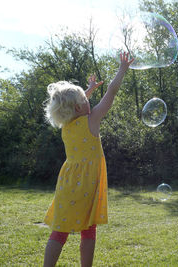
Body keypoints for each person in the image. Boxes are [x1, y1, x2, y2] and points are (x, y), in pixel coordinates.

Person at [42, 52, 134, 267]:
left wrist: (88, 90)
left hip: (67, 182)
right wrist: (121, 70)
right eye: (85, 100)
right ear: (78, 107)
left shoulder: (67, 126)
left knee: (60, 231)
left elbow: (80, 107)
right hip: (87, 183)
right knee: (88, 228)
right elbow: (111, 93)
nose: (88, 101)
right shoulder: (91, 120)